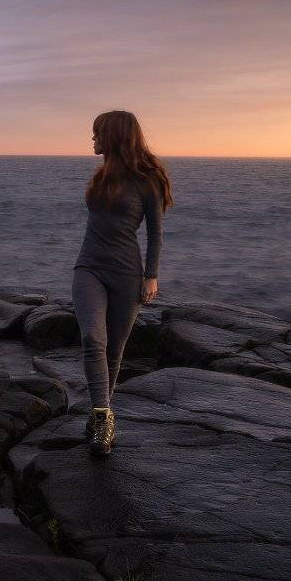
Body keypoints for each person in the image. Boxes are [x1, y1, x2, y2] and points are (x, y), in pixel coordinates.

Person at [72, 110, 172, 457]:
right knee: (92, 338)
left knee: (114, 351)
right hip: (89, 268)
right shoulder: (101, 177)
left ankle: (102, 414)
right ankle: (102, 417)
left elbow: (156, 235)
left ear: (115, 136)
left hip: (127, 274)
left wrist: (152, 276)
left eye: (98, 133)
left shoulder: (148, 181)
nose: (93, 139)